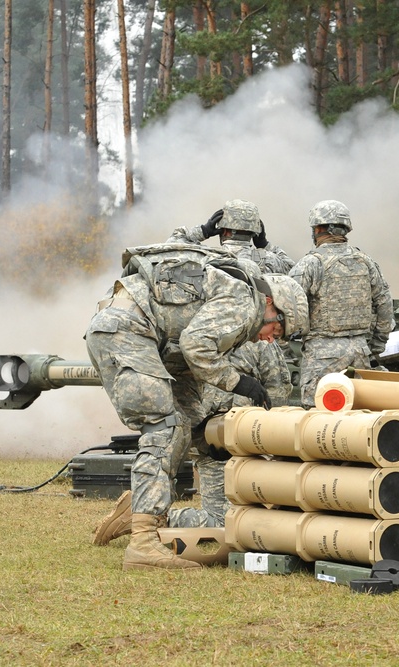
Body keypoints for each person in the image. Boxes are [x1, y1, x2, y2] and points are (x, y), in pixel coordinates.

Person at [85, 232, 308, 570]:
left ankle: (140, 513)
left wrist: (205, 438)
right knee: (164, 428)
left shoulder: (235, 301)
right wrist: (240, 382)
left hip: (150, 338)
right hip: (128, 332)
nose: (270, 339)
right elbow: (196, 346)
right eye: (277, 330)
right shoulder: (243, 301)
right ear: (270, 304)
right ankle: (143, 544)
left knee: (186, 427)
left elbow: (188, 361)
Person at [288, 200, 395, 409]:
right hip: (360, 354)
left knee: (317, 420)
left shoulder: (310, 264)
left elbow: (287, 305)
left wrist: (287, 345)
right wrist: (375, 346)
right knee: (358, 419)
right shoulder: (365, 261)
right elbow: (384, 304)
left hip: (321, 357)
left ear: (318, 229)